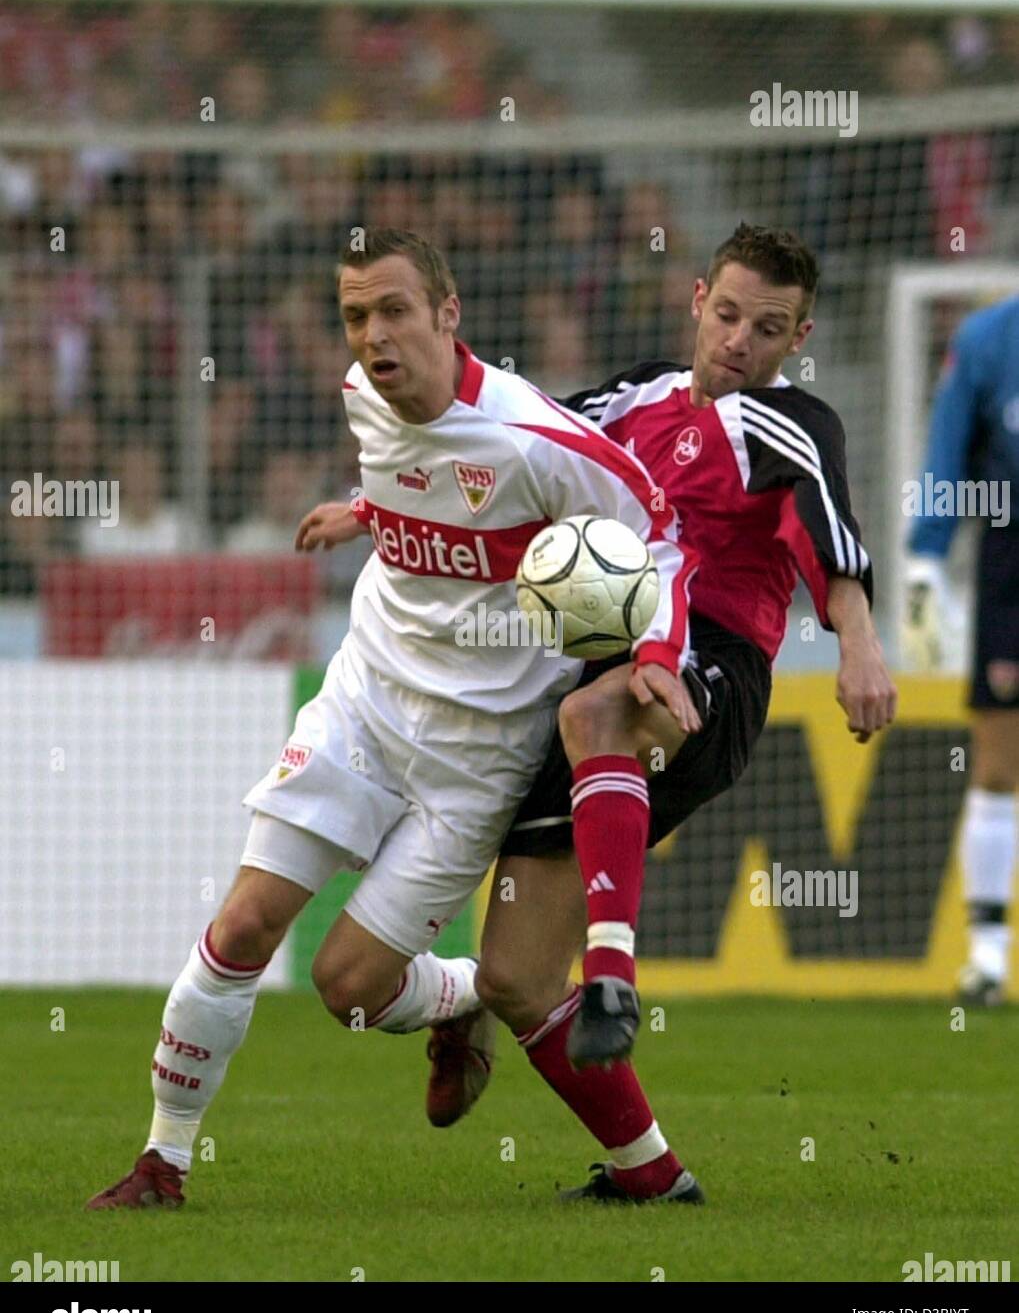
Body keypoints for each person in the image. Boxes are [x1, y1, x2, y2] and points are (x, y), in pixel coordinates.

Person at [85, 226, 700, 1211]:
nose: (373, 335)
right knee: (242, 923)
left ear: (448, 316)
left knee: (347, 988)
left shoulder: (537, 439)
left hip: (474, 764)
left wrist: (657, 655)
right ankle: (163, 1163)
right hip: (363, 707)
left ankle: (454, 999)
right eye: (355, 316)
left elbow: (656, 525)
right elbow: (420, 481)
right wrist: (359, 512)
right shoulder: (358, 396)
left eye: (394, 310)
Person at [303, 222, 898, 1205]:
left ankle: (614, 971)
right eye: (728, 314)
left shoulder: (793, 421)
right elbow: (500, 457)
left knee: (594, 716)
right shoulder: (631, 397)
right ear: (697, 298)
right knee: (514, 978)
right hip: (605, 665)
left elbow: (832, 532)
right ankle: (650, 1174)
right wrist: (364, 511)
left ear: (799, 338)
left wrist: (860, 644)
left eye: (769, 327)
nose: (740, 340)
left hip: (709, 667)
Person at [902, 294, 1019, 1007]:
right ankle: (987, 953)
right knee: (999, 759)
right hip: (1012, 562)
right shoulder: (987, 340)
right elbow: (946, 452)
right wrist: (925, 560)